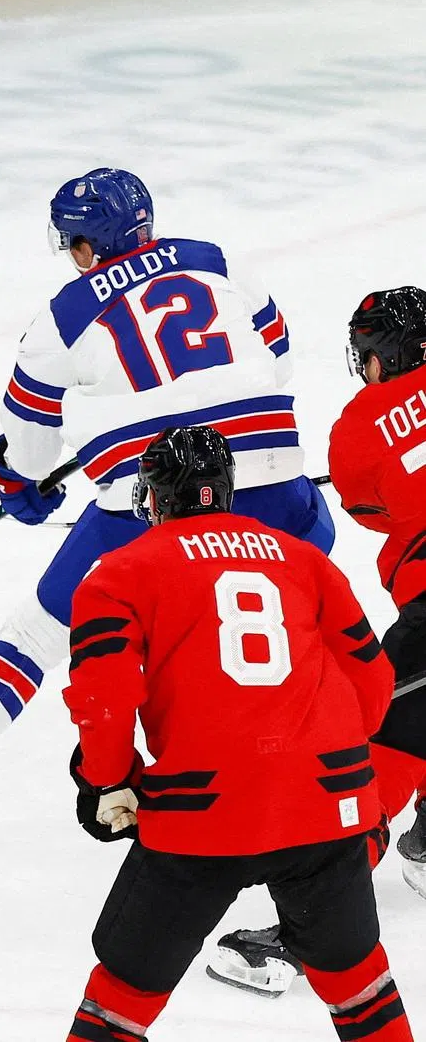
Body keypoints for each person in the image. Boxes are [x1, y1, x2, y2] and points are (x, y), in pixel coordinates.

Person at [0, 167, 334, 836]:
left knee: (39, 629)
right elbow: (278, 361)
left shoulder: (61, 316)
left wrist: (21, 485)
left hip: (147, 506)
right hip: (280, 497)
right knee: (299, 597)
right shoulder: (219, 261)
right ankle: (302, 745)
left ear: (86, 247)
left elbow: (28, 451)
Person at [61, 426, 412, 1042]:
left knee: (122, 997)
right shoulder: (304, 560)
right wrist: (316, 763)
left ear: (154, 497)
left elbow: (105, 701)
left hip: (200, 816)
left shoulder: (117, 575)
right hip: (325, 809)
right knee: (362, 991)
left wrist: (107, 783)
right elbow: (375, 684)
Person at [209, 287, 426, 998]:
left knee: (372, 759)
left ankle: (300, 937)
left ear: (380, 358)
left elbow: (369, 509)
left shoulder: (365, 417)